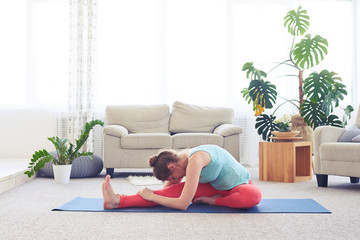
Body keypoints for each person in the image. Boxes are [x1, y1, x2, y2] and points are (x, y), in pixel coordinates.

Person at [102, 144, 261, 210]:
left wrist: (153, 197)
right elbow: (170, 192)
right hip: (215, 186)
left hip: (239, 185)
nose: (174, 182)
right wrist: (158, 194)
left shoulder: (195, 160)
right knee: (170, 193)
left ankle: (214, 201)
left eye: (171, 178)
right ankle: (117, 201)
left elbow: (183, 204)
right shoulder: (182, 162)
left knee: (253, 195)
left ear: (172, 167)